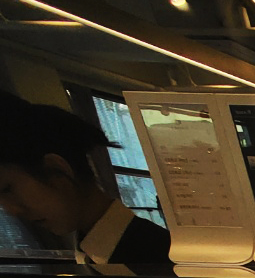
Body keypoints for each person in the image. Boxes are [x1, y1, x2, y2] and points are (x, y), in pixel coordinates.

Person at [0, 93, 171, 266]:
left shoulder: (153, 257)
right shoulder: (93, 251)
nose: (11, 209)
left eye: (7, 189)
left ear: (57, 169)